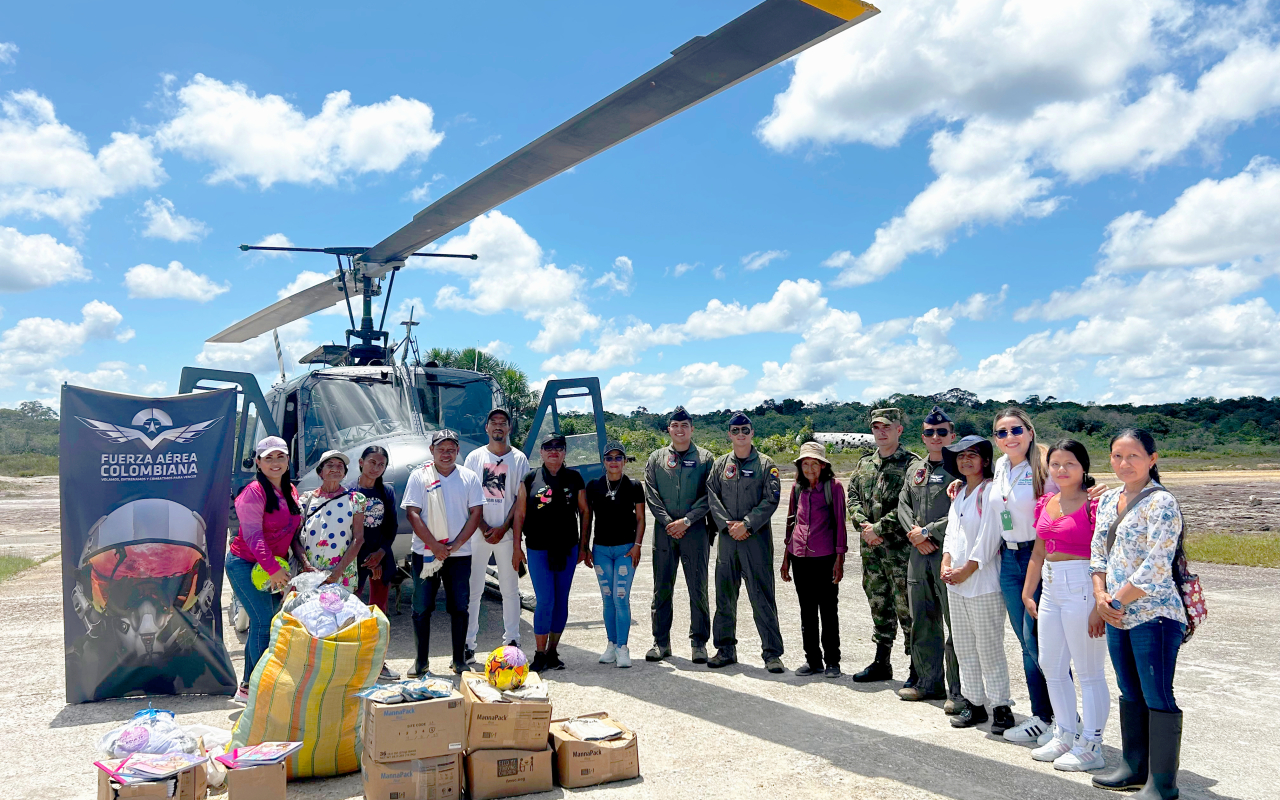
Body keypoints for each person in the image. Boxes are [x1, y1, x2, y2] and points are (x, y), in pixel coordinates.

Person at [1091, 429, 1187, 800]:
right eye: (1117, 456)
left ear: (1152, 458)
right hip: (1117, 613)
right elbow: (1098, 551)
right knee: (1129, 691)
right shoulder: (1110, 498)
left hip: (1154, 615)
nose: (1124, 463)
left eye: (1133, 456)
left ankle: (1163, 784)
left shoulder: (1162, 502)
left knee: (1157, 694)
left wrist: (1114, 602)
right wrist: (1100, 595)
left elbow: (1155, 566)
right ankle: (1134, 768)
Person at [1022, 438, 1108, 771]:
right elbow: (1039, 552)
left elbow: (1108, 555)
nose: (1061, 470)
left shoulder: (1096, 504)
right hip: (1052, 585)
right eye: (1055, 464)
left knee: (1088, 671)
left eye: (1069, 464)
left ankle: (1092, 744)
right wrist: (1029, 592)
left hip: (1083, 585)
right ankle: (1066, 733)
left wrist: (1099, 602)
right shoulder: (1047, 501)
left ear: (1083, 466)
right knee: (1052, 666)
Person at [987, 407, 1058, 745]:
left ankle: (1059, 718)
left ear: (1029, 432)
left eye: (1015, 430)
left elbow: (1073, 497)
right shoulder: (1001, 466)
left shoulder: (1044, 467)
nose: (1009, 437)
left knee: (1042, 642)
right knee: (1026, 643)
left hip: (1039, 556)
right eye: (1001, 433)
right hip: (1009, 557)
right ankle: (1043, 716)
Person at [225, 436, 310, 703]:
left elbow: (291, 533)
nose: (275, 463)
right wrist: (273, 569)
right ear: (258, 462)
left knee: (266, 624)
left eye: (280, 457)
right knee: (262, 622)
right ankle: (261, 688)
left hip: (273, 568)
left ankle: (248, 686)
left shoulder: (290, 491)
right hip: (245, 564)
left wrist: (299, 563)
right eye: (268, 458)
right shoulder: (253, 492)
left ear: (288, 461)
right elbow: (252, 536)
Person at [940, 435, 1014, 735]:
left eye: (972, 455)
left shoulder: (989, 492)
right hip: (956, 584)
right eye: (960, 456)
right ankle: (974, 702)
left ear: (985, 460)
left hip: (982, 582)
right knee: (964, 647)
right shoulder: (959, 494)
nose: (966, 460)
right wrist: (946, 563)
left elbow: (990, 537)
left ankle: (1001, 707)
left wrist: (967, 569)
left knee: (989, 648)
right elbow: (951, 534)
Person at [401, 429, 484, 676]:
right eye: (441, 449)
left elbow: (476, 513)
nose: (446, 454)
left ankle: (459, 660)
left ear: (458, 451)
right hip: (425, 552)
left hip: (459, 554)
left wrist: (456, 545)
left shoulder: (469, 477)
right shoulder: (419, 477)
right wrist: (435, 546)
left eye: (451, 449)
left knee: (459, 606)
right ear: (432, 451)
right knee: (422, 607)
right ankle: (421, 661)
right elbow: (412, 513)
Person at [707, 412, 785, 673]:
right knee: (724, 597)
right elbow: (712, 497)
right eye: (736, 430)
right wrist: (728, 525)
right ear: (729, 434)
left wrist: (747, 524)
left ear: (752, 433)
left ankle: (772, 653)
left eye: (745, 430)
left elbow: (771, 499)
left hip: (756, 540)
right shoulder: (720, 465)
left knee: (762, 596)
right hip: (728, 540)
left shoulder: (766, 464)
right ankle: (725, 649)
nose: (741, 435)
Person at [897, 406, 963, 708]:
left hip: (948, 553)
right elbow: (903, 504)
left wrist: (929, 532)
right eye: (929, 432)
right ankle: (928, 682)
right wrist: (915, 533)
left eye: (941, 432)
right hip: (917, 554)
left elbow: (963, 510)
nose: (935, 437)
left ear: (952, 435)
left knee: (955, 623)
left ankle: (959, 691)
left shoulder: (962, 467)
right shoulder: (915, 469)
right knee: (923, 620)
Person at [845, 407, 915, 683]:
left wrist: (878, 528)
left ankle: (916, 667)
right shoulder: (865, 464)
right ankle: (881, 662)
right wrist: (863, 525)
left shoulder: (912, 464)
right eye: (876, 427)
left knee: (906, 607)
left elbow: (908, 505)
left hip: (899, 551)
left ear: (899, 429)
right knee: (878, 604)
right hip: (871, 551)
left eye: (887, 427)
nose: (881, 431)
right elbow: (852, 496)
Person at [643, 406, 714, 664]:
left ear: (692, 429)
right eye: (675, 425)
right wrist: (668, 522)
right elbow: (651, 493)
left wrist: (687, 520)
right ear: (669, 429)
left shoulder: (706, 458)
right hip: (664, 533)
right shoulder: (656, 458)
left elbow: (710, 495)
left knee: (698, 588)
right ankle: (660, 642)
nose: (680, 430)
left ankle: (699, 643)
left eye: (685, 425)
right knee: (662, 588)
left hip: (694, 531)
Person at [512, 431, 588, 673]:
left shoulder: (575, 478)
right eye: (548, 447)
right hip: (538, 548)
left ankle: (553, 651)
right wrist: (517, 547)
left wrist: (584, 545)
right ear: (541, 452)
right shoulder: (530, 479)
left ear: (565, 452)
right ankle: (539, 653)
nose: (554, 450)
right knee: (545, 600)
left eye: (559, 446)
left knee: (560, 601)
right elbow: (520, 515)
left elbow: (585, 512)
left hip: (567, 548)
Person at [463, 409, 529, 661]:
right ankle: (468, 643)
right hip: (478, 532)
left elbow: (519, 499)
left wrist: (503, 528)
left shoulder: (519, 459)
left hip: (507, 532)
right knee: (474, 589)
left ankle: (512, 640)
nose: (498, 427)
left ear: (509, 428)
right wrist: (482, 526)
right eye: (494, 423)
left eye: (503, 423)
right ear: (487, 428)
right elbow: (469, 497)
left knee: (510, 589)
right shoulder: (474, 457)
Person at [780, 440, 846, 678]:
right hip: (800, 558)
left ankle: (832, 662)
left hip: (825, 557)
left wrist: (840, 559)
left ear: (823, 466)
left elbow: (840, 524)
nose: (809, 469)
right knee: (807, 611)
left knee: (828, 610)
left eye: (814, 464)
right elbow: (790, 523)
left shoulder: (834, 487)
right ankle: (813, 660)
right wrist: (786, 558)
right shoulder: (797, 489)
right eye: (805, 464)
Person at [583, 440, 646, 668]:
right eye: (609, 458)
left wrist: (637, 545)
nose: (614, 462)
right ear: (604, 461)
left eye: (618, 457)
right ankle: (610, 644)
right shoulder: (594, 486)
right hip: (601, 550)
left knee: (621, 597)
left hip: (625, 550)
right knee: (608, 598)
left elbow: (640, 518)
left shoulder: (634, 486)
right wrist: (586, 547)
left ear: (625, 461)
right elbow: (587, 518)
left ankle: (623, 647)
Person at [352, 445, 399, 682]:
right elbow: (349, 531)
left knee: (379, 614)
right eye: (372, 462)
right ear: (361, 462)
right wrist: (366, 559)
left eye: (382, 465)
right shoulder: (349, 491)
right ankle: (353, 663)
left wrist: (380, 554)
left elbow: (391, 527)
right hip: (355, 559)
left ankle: (378, 662)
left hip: (381, 557)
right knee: (352, 611)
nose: (376, 468)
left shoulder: (387, 492)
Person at [299, 450, 366, 590]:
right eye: (330, 465)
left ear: (344, 473)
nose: (335, 469)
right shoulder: (306, 500)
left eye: (340, 466)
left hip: (342, 574)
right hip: (311, 574)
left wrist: (338, 572)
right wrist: (306, 565)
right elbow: (295, 537)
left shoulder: (356, 500)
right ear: (320, 472)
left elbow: (358, 538)